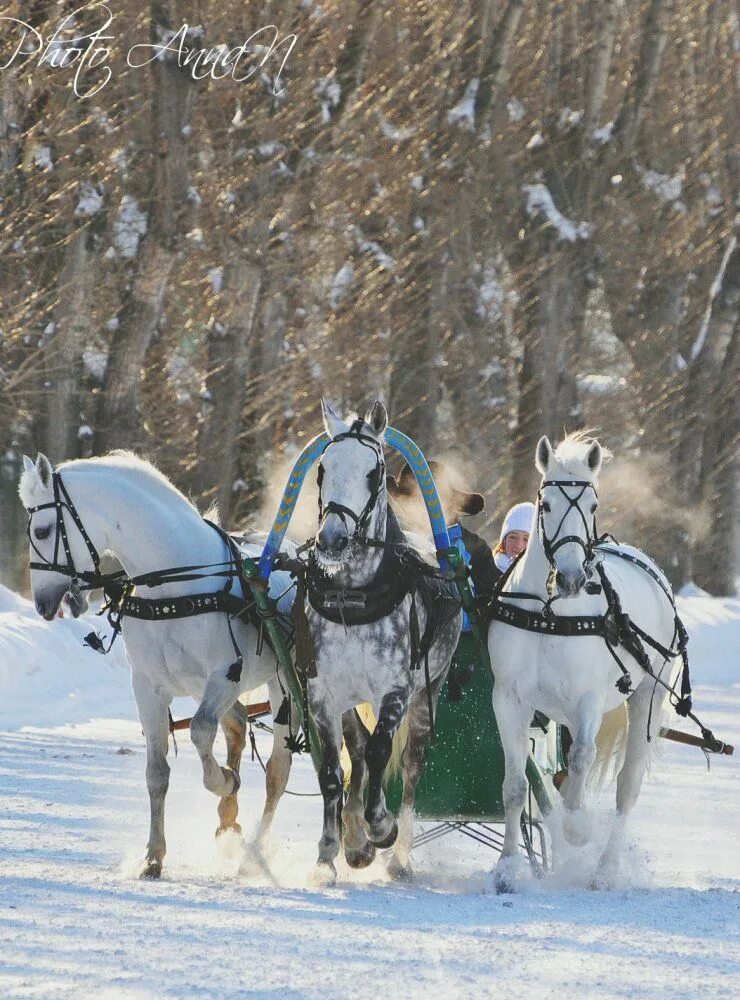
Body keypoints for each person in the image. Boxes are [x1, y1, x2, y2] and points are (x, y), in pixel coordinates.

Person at [386, 460, 500, 599]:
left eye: (433, 500)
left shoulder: (474, 549)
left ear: (450, 502)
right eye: (415, 498)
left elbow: (494, 601)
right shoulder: (390, 542)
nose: (424, 508)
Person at [493, 501, 535, 575]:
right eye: (513, 537)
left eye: (526, 539)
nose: (518, 545)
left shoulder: (544, 579)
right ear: (504, 540)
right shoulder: (489, 571)